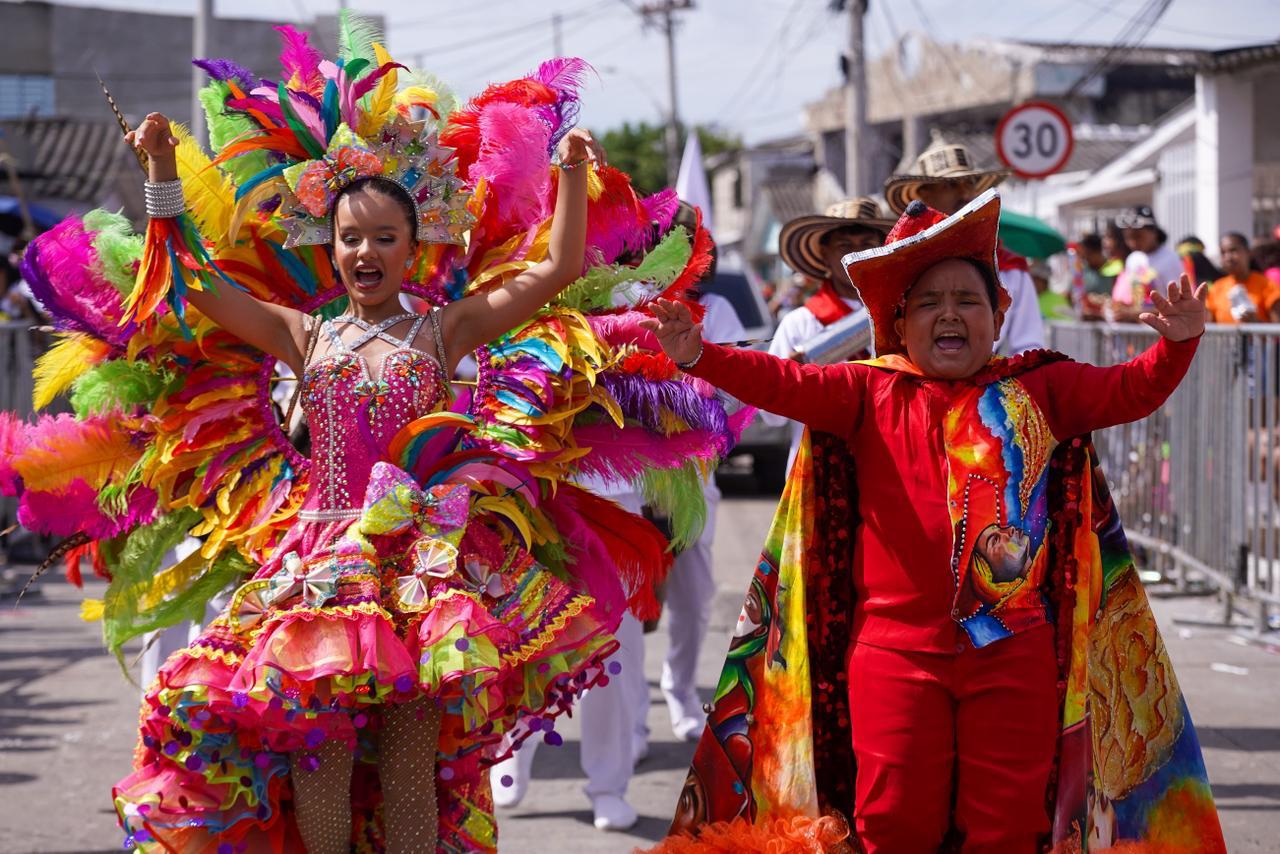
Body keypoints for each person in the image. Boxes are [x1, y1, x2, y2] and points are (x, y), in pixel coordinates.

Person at [2, 24, 743, 853]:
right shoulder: (303, 335)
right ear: (330, 245)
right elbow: (197, 285)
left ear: (414, 246)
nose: (365, 252)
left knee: (409, 769)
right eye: (351, 238)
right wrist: (164, 178)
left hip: (421, 578)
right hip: (316, 565)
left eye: (384, 238)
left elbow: (559, 267)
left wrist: (573, 173)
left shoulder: (444, 331)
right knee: (317, 762)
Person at [645, 191, 1225, 852]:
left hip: (1014, 651)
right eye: (929, 302)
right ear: (898, 321)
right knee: (893, 826)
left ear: (998, 316)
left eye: (967, 301)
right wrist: (699, 356)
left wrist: (1177, 346)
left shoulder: (1041, 390)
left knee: (1007, 830)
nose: (950, 315)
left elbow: (1131, 389)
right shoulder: (866, 390)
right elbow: (780, 381)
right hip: (893, 655)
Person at [759, 197, 892, 467]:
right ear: (824, 254)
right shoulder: (799, 323)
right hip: (817, 470)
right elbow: (770, 415)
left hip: (891, 463)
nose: (856, 253)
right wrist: (790, 378)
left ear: (883, 248)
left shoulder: (902, 316)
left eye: (867, 244)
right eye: (844, 246)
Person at [884, 136, 1044, 355]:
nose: (965, 194)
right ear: (923, 195)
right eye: (950, 185)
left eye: (969, 183)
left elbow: (1029, 347)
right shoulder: (896, 265)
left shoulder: (1010, 268)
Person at [1111, 205, 1184, 321]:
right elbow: (1135, 300)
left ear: (1153, 232)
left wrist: (1133, 314)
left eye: (1138, 236)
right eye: (1128, 237)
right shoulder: (1133, 259)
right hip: (1139, 334)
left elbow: (1179, 305)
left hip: (1164, 331)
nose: (1133, 243)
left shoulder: (1170, 258)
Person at [1206, 231, 1280, 323]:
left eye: (1233, 250)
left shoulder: (1267, 286)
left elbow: (1276, 330)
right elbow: (1208, 328)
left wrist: (1255, 323)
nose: (1228, 257)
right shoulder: (1217, 288)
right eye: (1223, 253)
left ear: (1248, 252)